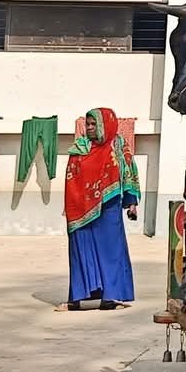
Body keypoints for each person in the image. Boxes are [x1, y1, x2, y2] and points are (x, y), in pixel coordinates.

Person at [62, 107, 139, 311]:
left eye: (93, 124)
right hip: (80, 210)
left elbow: (129, 172)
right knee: (80, 250)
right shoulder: (80, 147)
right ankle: (76, 299)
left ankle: (110, 298)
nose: (89, 128)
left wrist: (131, 202)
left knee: (111, 252)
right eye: (87, 124)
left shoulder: (118, 146)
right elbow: (72, 176)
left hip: (109, 207)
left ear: (105, 125)